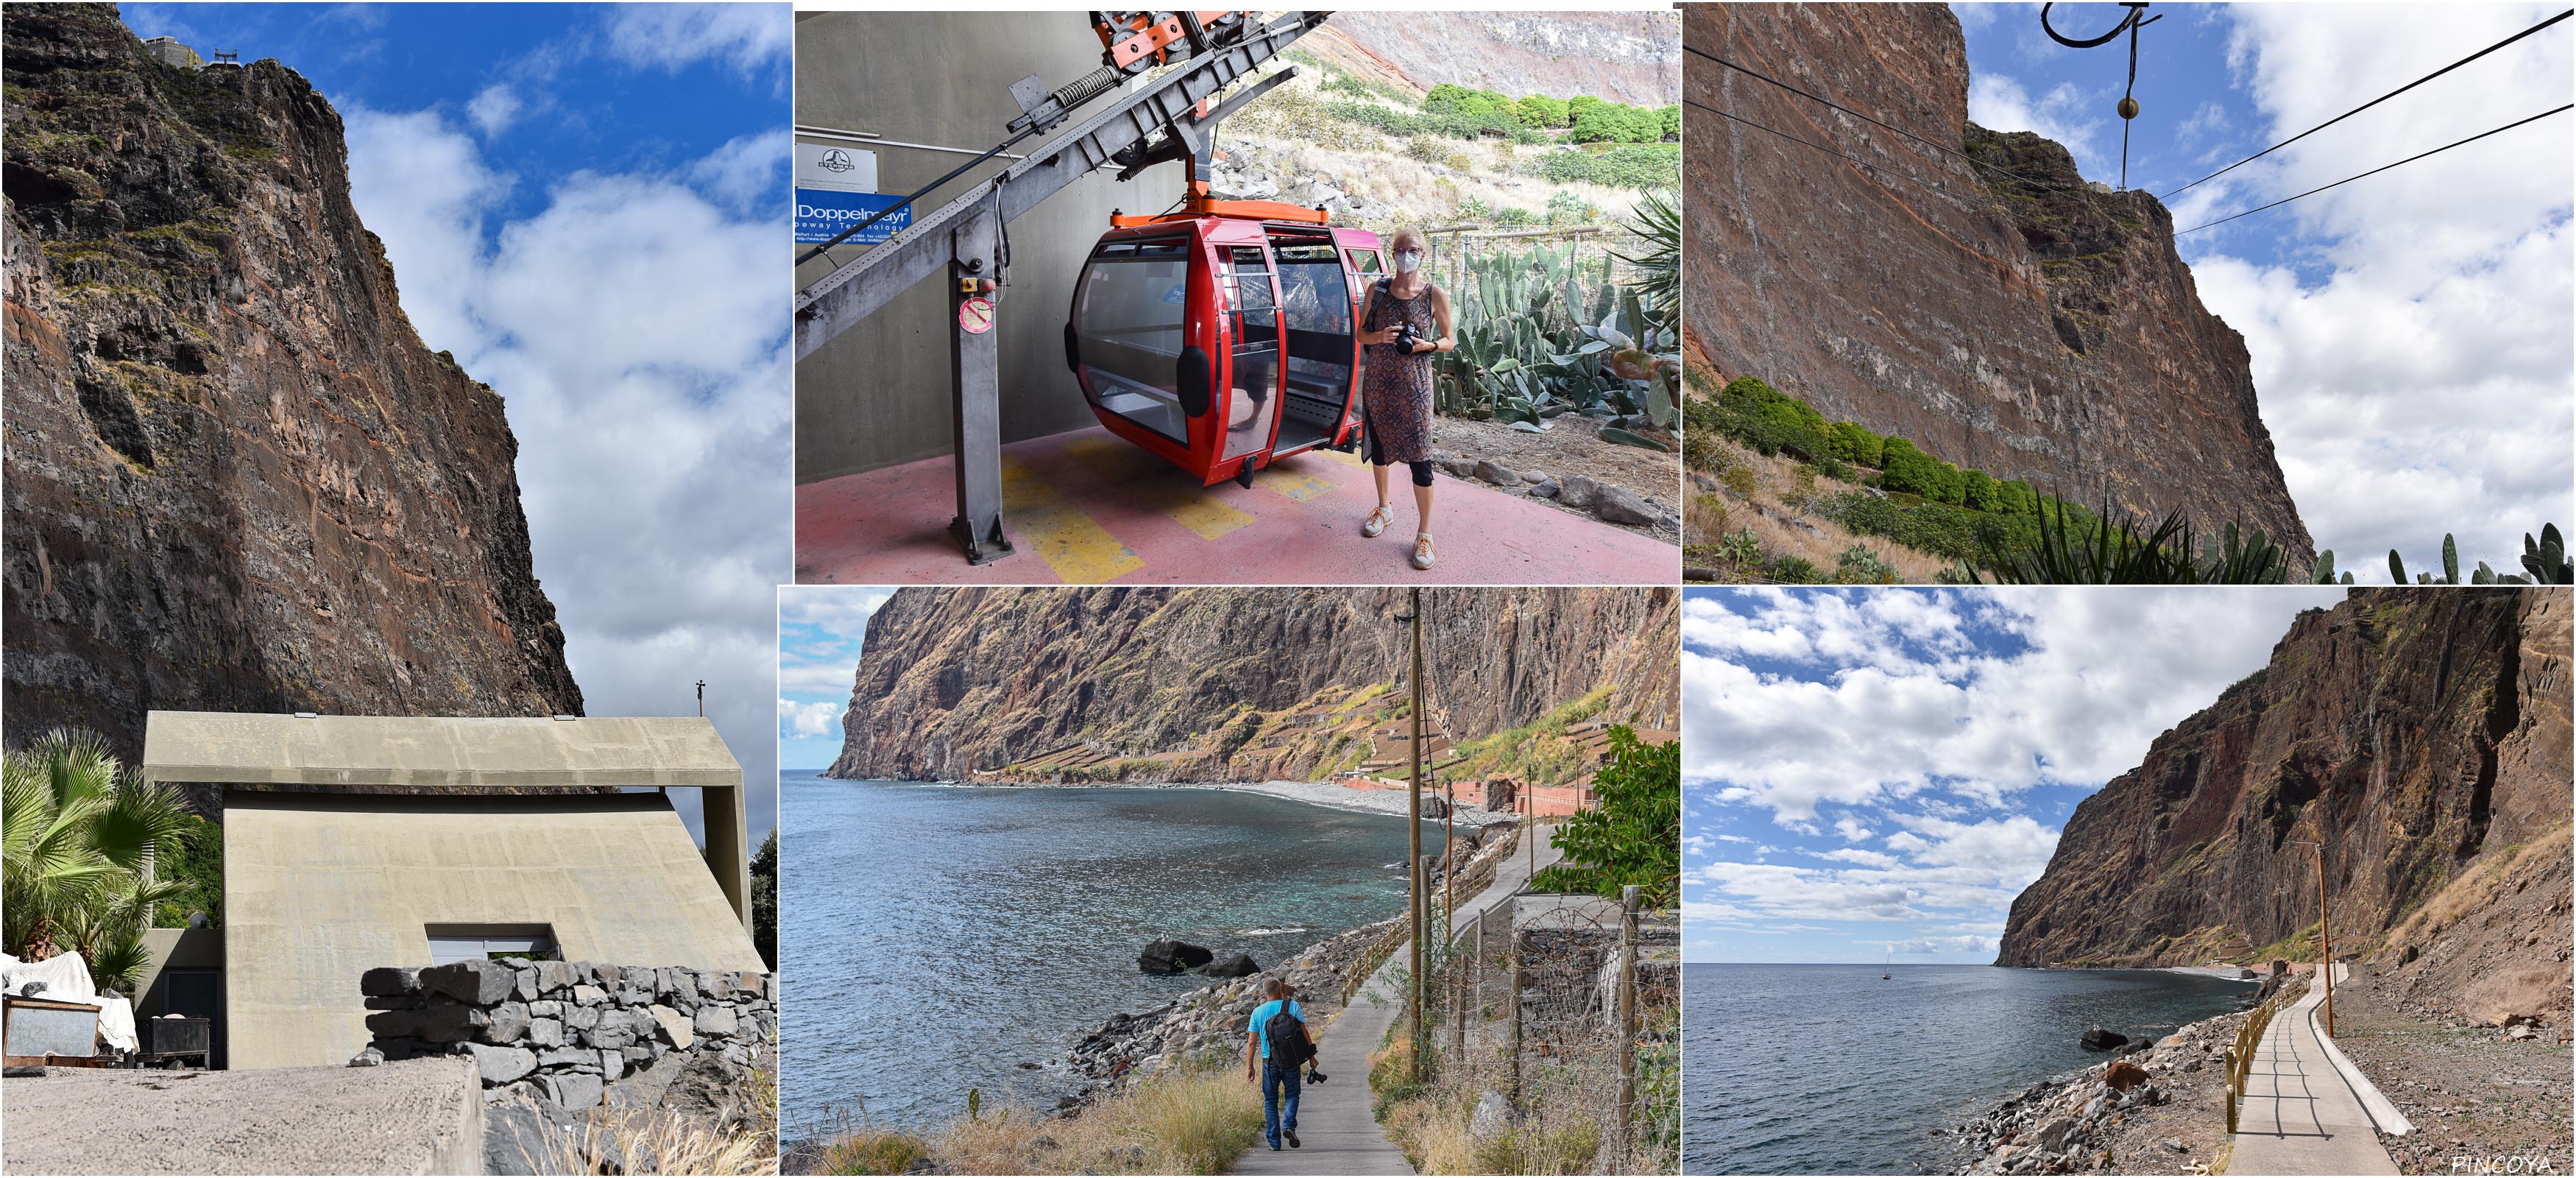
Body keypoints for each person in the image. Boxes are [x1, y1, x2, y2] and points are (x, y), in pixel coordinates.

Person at [1354, 230, 1454, 571]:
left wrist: (1425, 345)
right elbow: (1360, 334)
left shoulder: (1433, 294)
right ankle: (1384, 507)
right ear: (1392, 253)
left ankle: (1425, 533)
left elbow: (1449, 341)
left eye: (1413, 250)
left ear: (1423, 255)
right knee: (1380, 450)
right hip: (1380, 383)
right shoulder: (1377, 290)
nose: (1406, 255)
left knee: (1420, 457)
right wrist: (1380, 336)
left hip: (1415, 388)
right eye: (1400, 249)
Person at [1244, 977, 1309, 1151]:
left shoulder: (1258, 1012)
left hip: (1269, 1061)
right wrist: (1311, 1056)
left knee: (1271, 1100)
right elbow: (1303, 1032)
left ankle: (1274, 1142)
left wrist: (1250, 1066)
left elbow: (1251, 1043)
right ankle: (1288, 1125)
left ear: (1264, 993)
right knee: (1292, 1094)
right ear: (1281, 990)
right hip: (1291, 1060)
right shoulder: (1292, 1006)